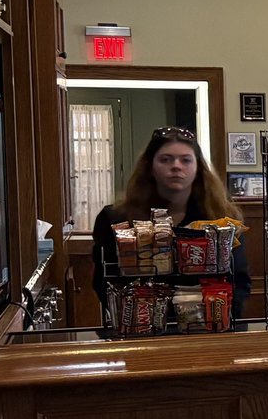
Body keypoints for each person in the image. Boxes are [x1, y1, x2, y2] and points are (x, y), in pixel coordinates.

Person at [90, 126, 252, 313]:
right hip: (139, 328)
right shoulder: (115, 218)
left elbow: (239, 280)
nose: (176, 166)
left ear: (198, 168)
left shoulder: (222, 219)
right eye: (166, 159)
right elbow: (103, 282)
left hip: (209, 327)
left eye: (186, 160)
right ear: (150, 166)